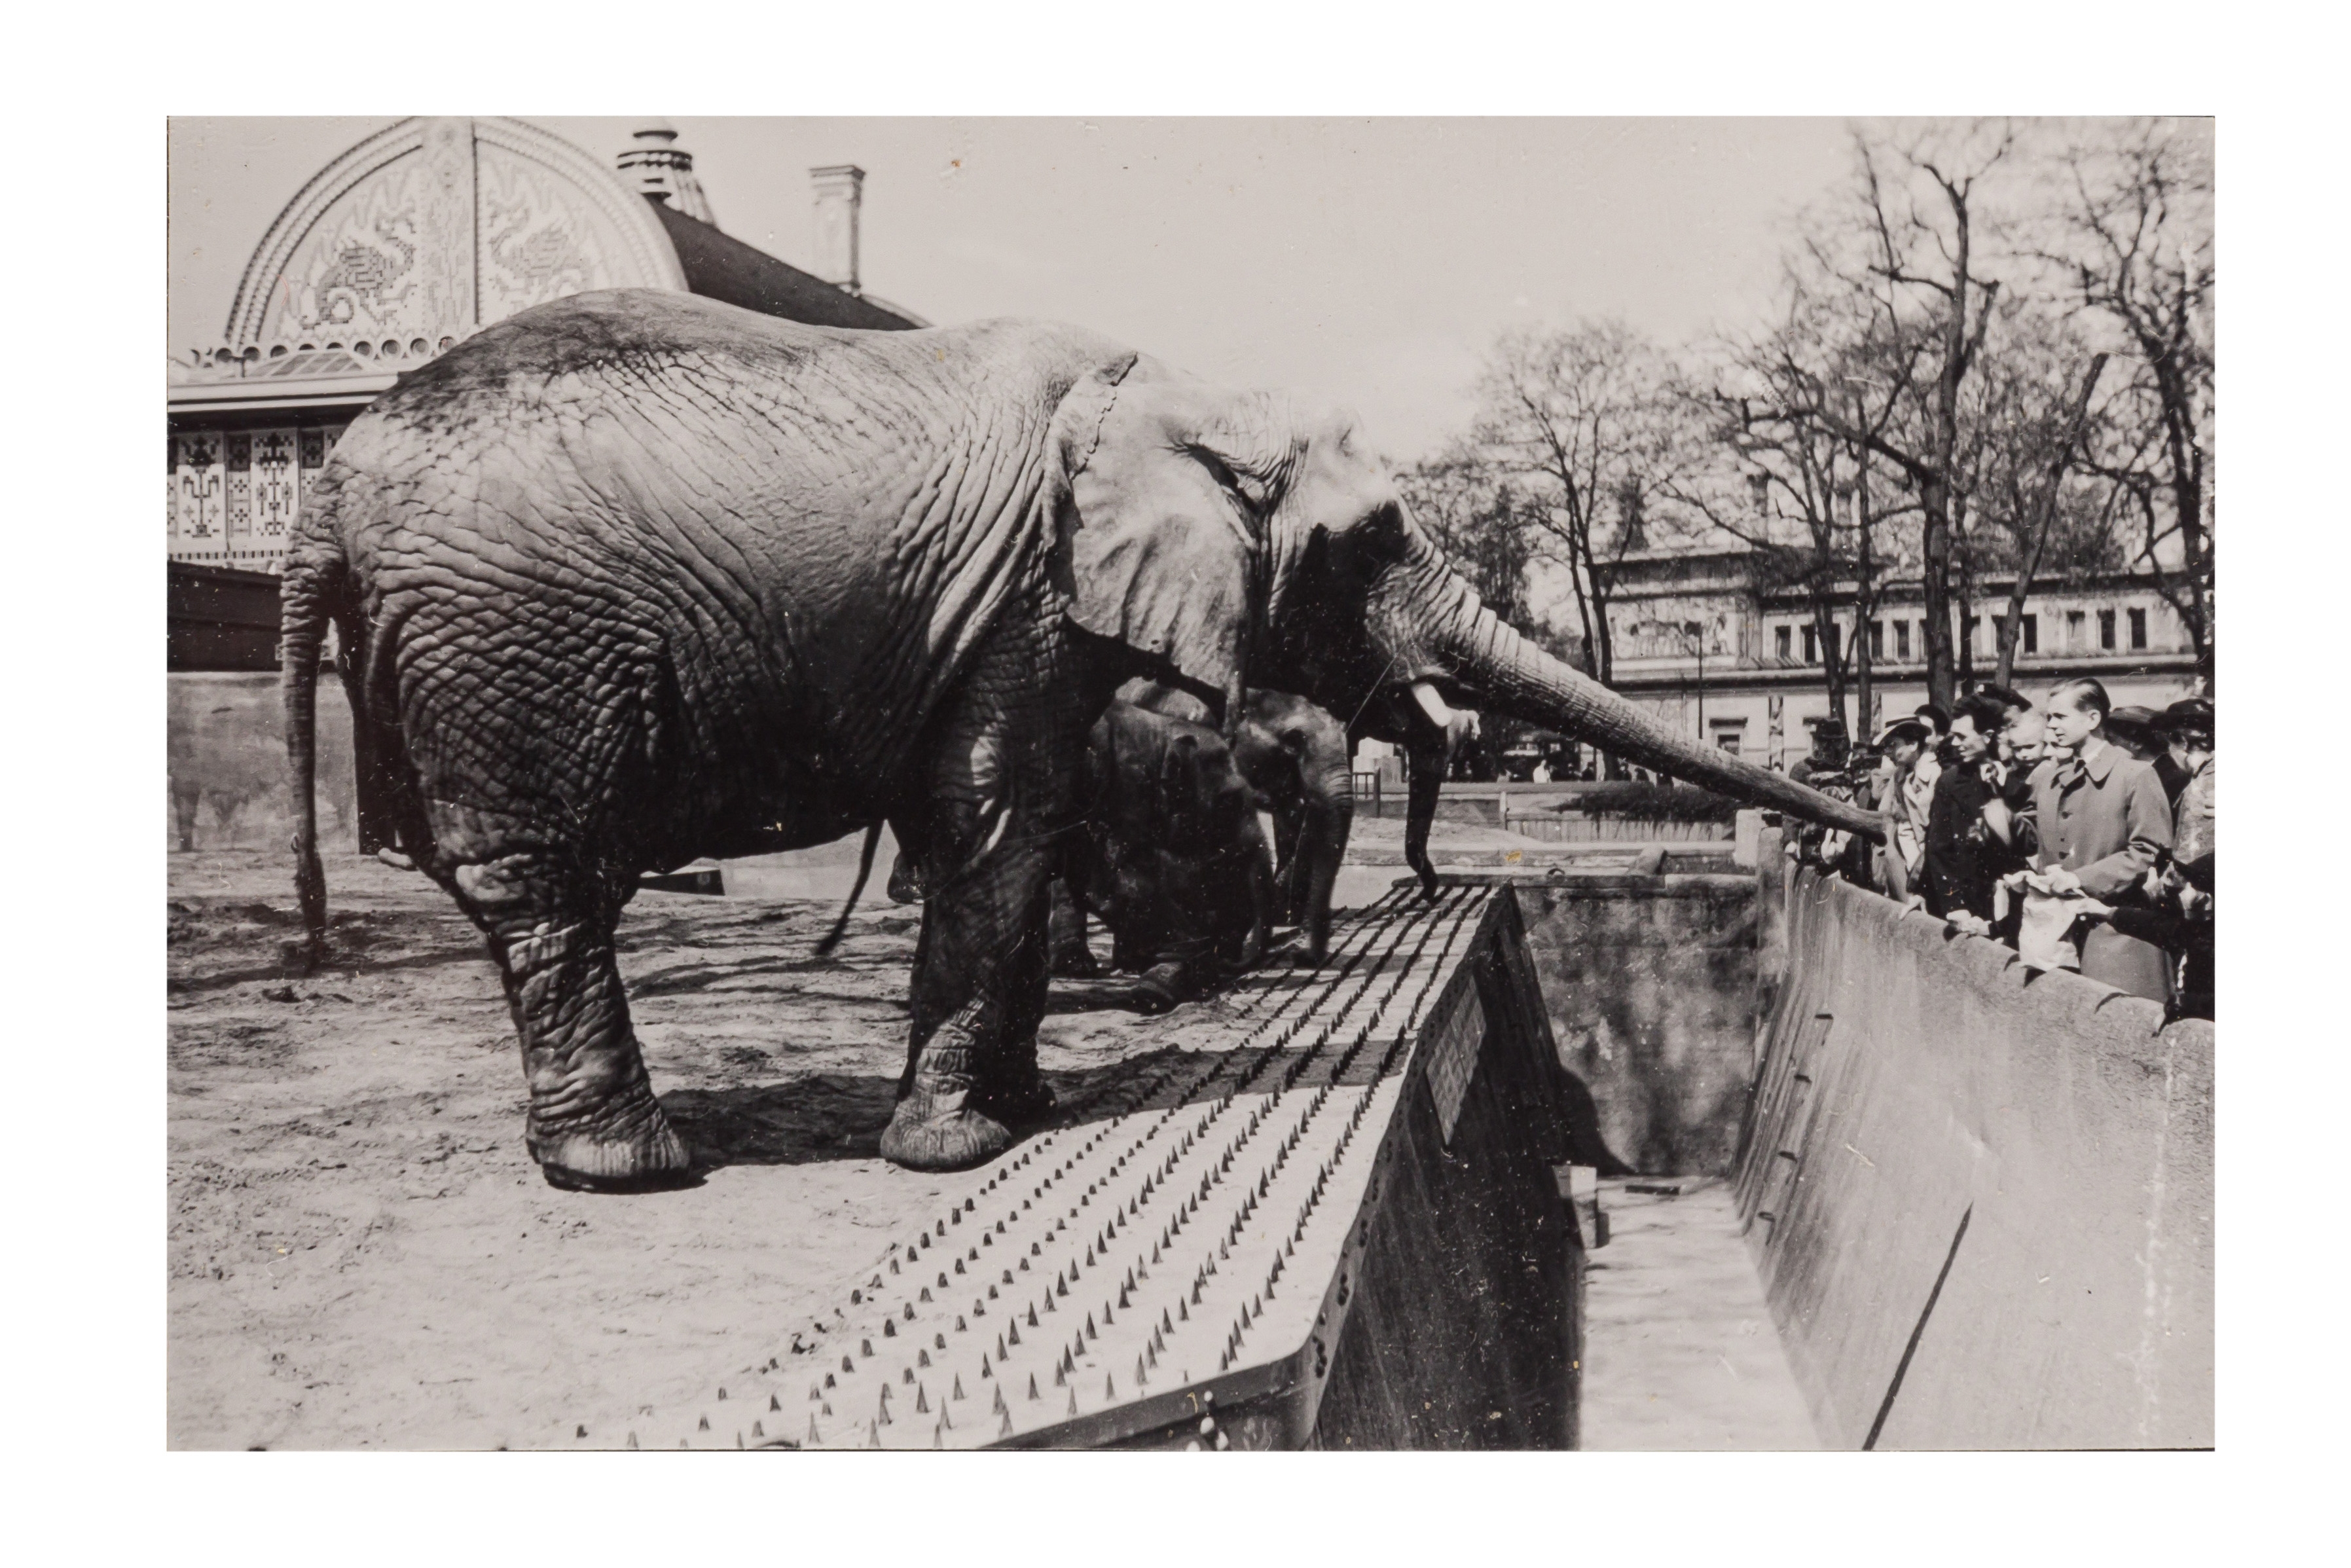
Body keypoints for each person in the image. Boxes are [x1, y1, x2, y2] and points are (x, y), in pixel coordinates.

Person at [2026, 677, 2175, 1000]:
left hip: (2118, 936)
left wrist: (2078, 878)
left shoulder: (2135, 775)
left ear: (2093, 719)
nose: (2050, 726)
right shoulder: (2050, 778)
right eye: (2049, 717)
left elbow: (2148, 851)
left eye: (2060, 717)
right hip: (2057, 935)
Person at [1922, 695, 2024, 926]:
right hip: (1971, 908)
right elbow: (1939, 848)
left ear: (1988, 737)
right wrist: (1955, 906)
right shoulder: (1950, 782)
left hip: (2019, 904)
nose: (1955, 744)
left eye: (1962, 737)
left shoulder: (2021, 775)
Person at [1872, 718, 1932, 902]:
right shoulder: (1900, 773)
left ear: (1913, 744)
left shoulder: (1934, 772)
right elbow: (1884, 809)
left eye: (1894, 745)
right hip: (1906, 849)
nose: (1890, 752)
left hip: (1928, 852)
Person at [2105, 704, 2189, 807]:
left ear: (2136, 743)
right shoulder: (2155, 772)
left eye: (2111, 740)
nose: (2107, 747)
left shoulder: (2171, 780)